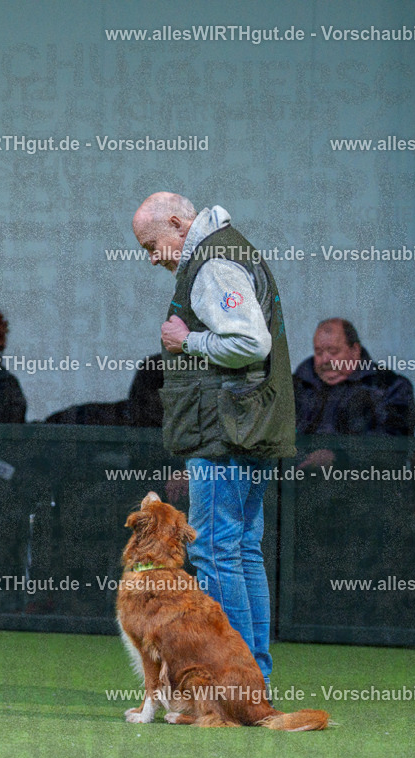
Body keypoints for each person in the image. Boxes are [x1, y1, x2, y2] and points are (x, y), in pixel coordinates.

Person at [132, 192, 296, 695]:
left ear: (177, 224)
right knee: (242, 550)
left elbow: (251, 343)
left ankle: (234, 680)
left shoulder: (213, 265)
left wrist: (187, 342)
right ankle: (255, 677)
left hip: (225, 433)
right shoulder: (231, 250)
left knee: (217, 551)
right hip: (248, 427)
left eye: (152, 245)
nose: (152, 258)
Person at [293, 317, 415, 436]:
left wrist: (337, 450)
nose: (325, 360)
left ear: (355, 350)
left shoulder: (390, 387)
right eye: (319, 352)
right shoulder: (294, 387)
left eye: (333, 351)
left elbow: (393, 442)